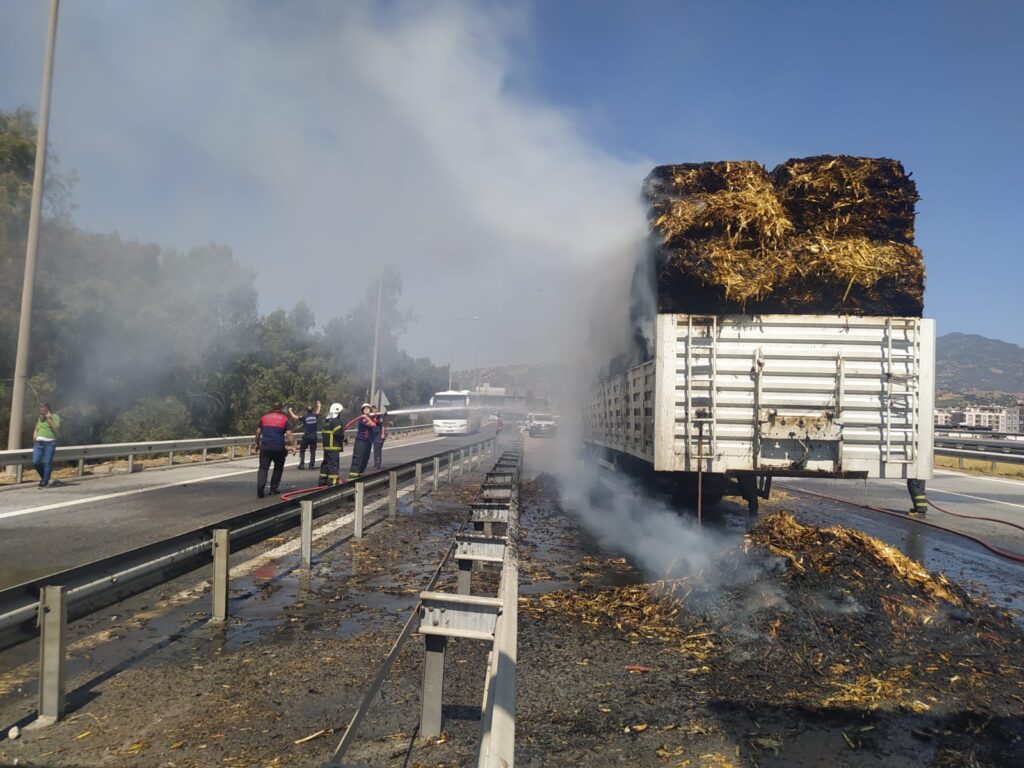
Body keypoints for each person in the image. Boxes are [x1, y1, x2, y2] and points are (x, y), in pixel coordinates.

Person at [255, 402, 295, 498]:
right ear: (281, 409)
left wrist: (257, 443)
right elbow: (289, 434)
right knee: (278, 467)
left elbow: (258, 431)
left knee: (263, 468)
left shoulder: (264, 417)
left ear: (272, 408)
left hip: (265, 447)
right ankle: (273, 488)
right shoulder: (285, 419)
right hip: (278, 447)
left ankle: (260, 488)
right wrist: (293, 445)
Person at [32, 403, 61, 488]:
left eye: (43, 408)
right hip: (38, 443)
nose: (41, 410)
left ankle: (45, 482)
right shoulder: (40, 417)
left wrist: (48, 419)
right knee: (36, 462)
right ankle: (45, 478)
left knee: (47, 463)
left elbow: (56, 429)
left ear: (48, 409)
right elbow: (37, 426)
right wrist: (35, 433)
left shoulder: (55, 417)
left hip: (50, 443)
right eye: (40, 408)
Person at [319, 402, 346, 486]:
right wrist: (343, 437)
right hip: (334, 447)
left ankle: (322, 481)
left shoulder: (327, 420)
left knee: (325, 464)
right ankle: (333, 482)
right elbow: (338, 434)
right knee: (333, 465)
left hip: (326, 447)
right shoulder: (336, 421)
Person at [346, 403, 377, 479]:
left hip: (368, 442)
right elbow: (372, 424)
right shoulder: (362, 418)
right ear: (362, 411)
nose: (366, 409)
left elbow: (377, 422)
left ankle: (359, 475)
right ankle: (352, 477)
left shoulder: (372, 418)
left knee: (365, 459)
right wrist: (367, 417)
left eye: (368, 408)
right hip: (361, 441)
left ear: (370, 410)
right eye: (364, 409)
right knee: (358, 459)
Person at [297, 401, 322, 470]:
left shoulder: (304, 417)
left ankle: (301, 464)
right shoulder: (315, 416)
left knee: (302, 450)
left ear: (307, 411)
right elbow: (318, 411)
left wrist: (290, 411)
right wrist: (319, 405)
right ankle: (311, 465)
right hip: (314, 436)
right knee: (313, 451)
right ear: (312, 410)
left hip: (306, 436)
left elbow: (295, 417)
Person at [371, 405, 387, 470]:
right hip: (372, 434)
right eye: (372, 410)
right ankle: (375, 463)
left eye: (375, 409)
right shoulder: (370, 416)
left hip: (378, 434)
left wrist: (383, 434)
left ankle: (378, 464)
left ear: (377, 409)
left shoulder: (380, 416)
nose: (374, 411)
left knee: (378, 448)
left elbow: (383, 425)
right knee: (374, 449)